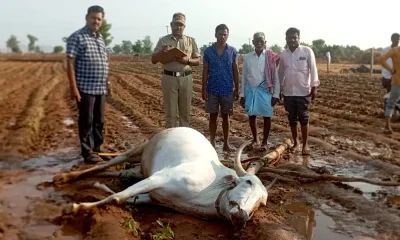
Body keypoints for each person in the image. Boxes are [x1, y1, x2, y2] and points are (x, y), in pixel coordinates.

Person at [66, 5, 110, 164]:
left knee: (99, 120)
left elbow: (104, 62)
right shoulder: (77, 37)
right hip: (85, 87)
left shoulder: (100, 38)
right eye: (93, 18)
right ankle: (87, 151)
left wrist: (107, 82)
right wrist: (73, 88)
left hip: (100, 87)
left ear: (102, 21)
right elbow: (70, 63)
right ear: (87, 18)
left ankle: (97, 148)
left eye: (99, 19)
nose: (96, 21)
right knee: (87, 120)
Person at [151, 12, 201, 128]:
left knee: (185, 114)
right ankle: (170, 141)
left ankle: (183, 142)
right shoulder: (163, 41)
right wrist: (161, 53)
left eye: (181, 25)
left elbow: (198, 60)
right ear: (171, 25)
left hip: (186, 78)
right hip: (169, 78)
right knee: (170, 114)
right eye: (176, 24)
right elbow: (154, 60)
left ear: (184, 26)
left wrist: (187, 61)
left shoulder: (190, 40)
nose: (178, 27)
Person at [278, 27, 319, 155]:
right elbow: (280, 73)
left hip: (303, 91)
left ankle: (305, 145)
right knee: (292, 118)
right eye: (290, 38)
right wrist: (279, 89)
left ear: (299, 38)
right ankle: (296, 142)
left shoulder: (307, 51)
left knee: (304, 118)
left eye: (295, 37)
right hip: (288, 92)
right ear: (286, 39)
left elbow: (313, 69)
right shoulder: (284, 54)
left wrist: (314, 87)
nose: (292, 40)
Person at [240, 32, 280, 152]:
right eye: (256, 40)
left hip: (266, 91)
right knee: (252, 115)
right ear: (252, 42)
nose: (258, 43)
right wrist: (242, 94)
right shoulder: (248, 57)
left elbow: (275, 76)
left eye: (261, 41)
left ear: (265, 43)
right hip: (251, 90)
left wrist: (276, 94)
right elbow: (244, 76)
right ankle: (255, 139)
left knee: (267, 116)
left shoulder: (270, 56)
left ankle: (264, 142)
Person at [202, 24, 239, 151]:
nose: (222, 37)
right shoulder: (208, 51)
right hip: (212, 88)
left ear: (227, 35)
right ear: (215, 35)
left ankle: (226, 143)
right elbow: (205, 71)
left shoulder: (232, 51)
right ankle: (212, 142)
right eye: (220, 34)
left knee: (226, 117)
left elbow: (235, 71)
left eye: (225, 34)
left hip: (227, 89)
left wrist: (237, 88)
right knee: (212, 116)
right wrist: (203, 88)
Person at [379, 44, 400, 134]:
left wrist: (391, 70)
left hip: (397, 80)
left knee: (391, 103)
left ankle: (387, 127)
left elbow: (381, 59)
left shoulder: (395, 50)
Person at [381, 33, 400, 117]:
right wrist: (390, 72)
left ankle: (394, 113)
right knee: (390, 96)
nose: (398, 41)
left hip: (397, 77)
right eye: (396, 39)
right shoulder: (386, 50)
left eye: (399, 39)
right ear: (392, 40)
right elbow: (383, 63)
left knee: (395, 96)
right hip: (388, 76)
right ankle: (388, 113)